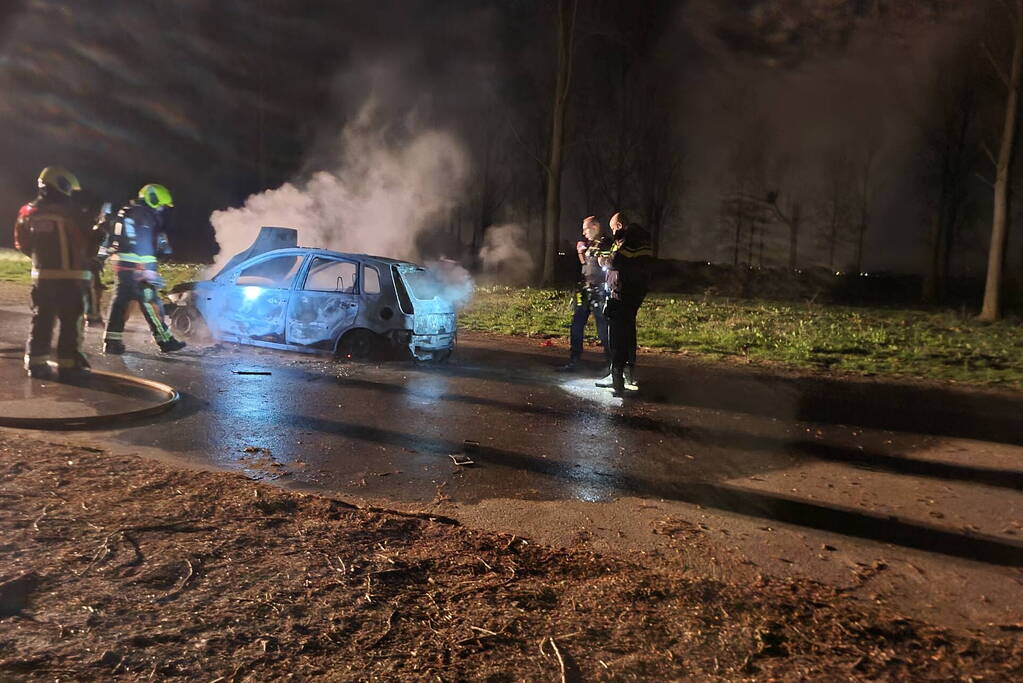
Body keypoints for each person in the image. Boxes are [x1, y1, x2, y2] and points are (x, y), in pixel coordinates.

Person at [14, 167, 100, 380]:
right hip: (72, 277)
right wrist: (100, 234)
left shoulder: (27, 212)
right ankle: (69, 366)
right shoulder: (71, 212)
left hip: (42, 277)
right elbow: (87, 242)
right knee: (71, 323)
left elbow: (22, 244)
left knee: (42, 319)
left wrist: (41, 260)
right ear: (63, 186)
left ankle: (36, 363)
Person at [102, 183, 186, 354]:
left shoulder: (127, 211)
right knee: (151, 304)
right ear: (153, 199)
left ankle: (112, 342)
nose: (162, 209)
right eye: (161, 205)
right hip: (138, 267)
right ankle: (165, 341)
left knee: (120, 305)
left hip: (123, 266)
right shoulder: (143, 215)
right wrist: (146, 270)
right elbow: (142, 243)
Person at [596, 212, 652, 397]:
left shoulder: (628, 239)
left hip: (622, 292)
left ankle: (617, 378)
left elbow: (616, 261)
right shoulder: (641, 238)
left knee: (617, 335)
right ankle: (628, 375)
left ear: (619, 225)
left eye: (613, 228)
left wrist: (602, 257)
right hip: (634, 292)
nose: (613, 232)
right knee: (628, 332)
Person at [558, 215, 611, 372]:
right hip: (585, 289)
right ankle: (575, 360)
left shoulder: (605, 243)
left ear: (595, 227)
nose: (584, 233)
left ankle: (611, 364)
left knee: (603, 327)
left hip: (600, 290)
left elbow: (606, 263)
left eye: (586, 229)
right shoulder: (588, 243)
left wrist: (592, 253)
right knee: (577, 324)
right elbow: (585, 265)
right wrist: (581, 253)